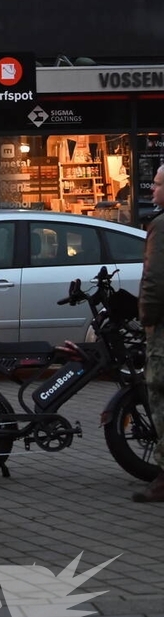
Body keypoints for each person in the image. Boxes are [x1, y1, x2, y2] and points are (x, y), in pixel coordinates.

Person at [134, 161, 164, 503]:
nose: (152, 190)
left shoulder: (160, 225)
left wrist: (146, 318)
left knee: (159, 394)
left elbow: (155, 281)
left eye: (156, 185)